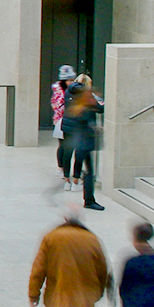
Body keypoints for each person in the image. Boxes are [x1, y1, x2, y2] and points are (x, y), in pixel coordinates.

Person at [27, 211, 112, 307]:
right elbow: (102, 270)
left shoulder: (51, 237)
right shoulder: (92, 239)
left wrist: (33, 295)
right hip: (83, 301)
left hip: (57, 301)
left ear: (65, 219)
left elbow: (38, 270)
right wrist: (97, 295)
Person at [62, 80, 105, 210]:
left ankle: (69, 181)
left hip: (72, 132)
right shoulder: (85, 100)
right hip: (84, 138)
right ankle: (89, 199)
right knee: (88, 169)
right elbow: (100, 109)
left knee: (69, 156)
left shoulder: (69, 94)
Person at [50, 65, 76, 189]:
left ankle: (64, 169)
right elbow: (57, 106)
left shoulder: (72, 90)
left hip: (69, 120)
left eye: (72, 80)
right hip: (61, 121)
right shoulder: (59, 92)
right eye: (69, 80)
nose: (71, 82)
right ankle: (61, 167)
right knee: (63, 145)